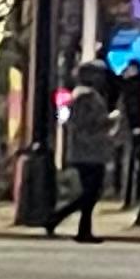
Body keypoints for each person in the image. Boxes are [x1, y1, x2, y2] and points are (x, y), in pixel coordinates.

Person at [56, 69, 114, 243]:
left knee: (91, 193)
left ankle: (62, 220)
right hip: (89, 151)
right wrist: (109, 121)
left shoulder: (83, 97)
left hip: (88, 150)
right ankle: (72, 225)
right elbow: (86, 124)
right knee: (91, 192)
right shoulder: (85, 98)